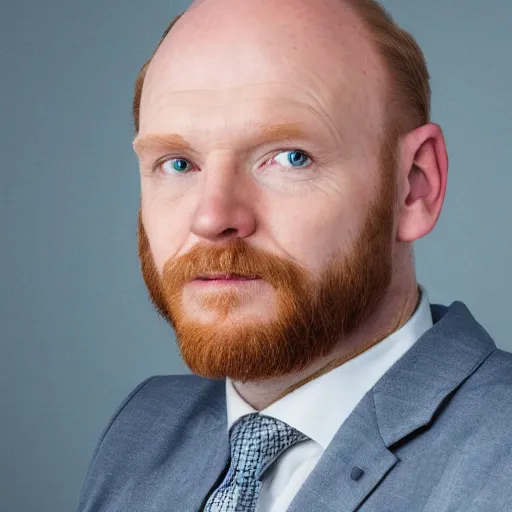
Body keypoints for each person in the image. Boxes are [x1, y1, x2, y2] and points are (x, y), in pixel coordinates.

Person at [78, 0, 512, 510]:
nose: (212, 217)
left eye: (290, 157)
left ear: (414, 187)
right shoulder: (139, 434)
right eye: (178, 163)